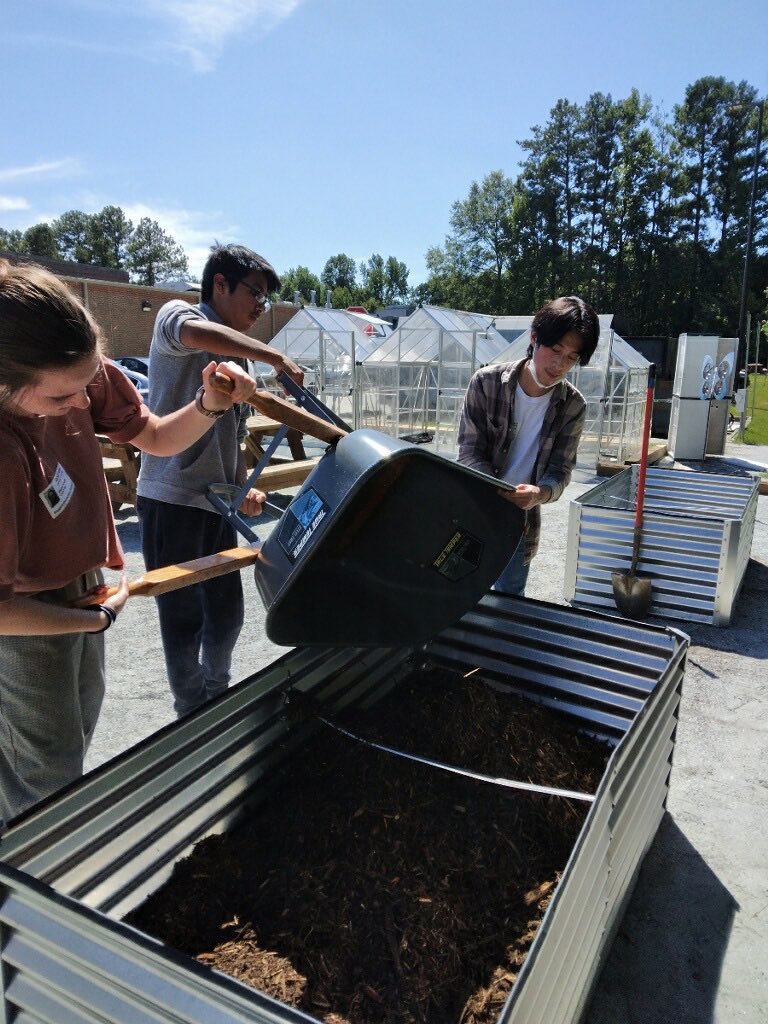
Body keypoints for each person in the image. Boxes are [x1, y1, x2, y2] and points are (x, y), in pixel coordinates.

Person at [0, 259, 260, 824]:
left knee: (69, 740)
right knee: (41, 780)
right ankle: (31, 896)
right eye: (59, 400)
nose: (79, 407)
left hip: (81, 589)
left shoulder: (78, 378)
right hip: (24, 614)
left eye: (85, 386)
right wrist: (92, 622)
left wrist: (211, 404)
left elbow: (158, 437)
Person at [136, 243, 303, 718]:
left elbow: (234, 435)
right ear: (219, 284)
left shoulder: (241, 364)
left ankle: (216, 690)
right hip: (172, 499)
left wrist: (242, 485)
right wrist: (273, 354)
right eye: (255, 292)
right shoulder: (177, 317)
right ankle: (192, 709)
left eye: (266, 298)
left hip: (215, 505)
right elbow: (198, 333)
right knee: (182, 618)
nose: (260, 306)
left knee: (227, 615)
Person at [457, 295, 600, 596]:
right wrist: (495, 488)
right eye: (556, 349)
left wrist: (541, 493)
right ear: (535, 337)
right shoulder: (486, 383)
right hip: (474, 509)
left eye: (572, 357)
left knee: (510, 598)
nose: (560, 363)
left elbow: (561, 469)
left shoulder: (572, 405)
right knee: (459, 590)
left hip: (519, 521)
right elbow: (469, 451)